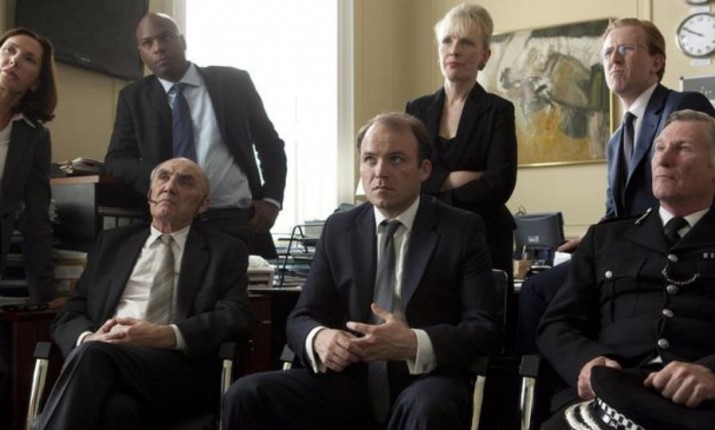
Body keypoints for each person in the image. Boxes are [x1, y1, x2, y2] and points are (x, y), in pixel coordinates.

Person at [221, 112, 502, 430]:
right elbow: (302, 317)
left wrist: (414, 343)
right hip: (348, 383)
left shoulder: (460, 229)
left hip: (423, 380)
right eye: (370, 159)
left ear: (424, 169)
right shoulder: (338, 229)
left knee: (429, 406)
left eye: (396, 159)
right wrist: (319, 337)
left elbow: (485, 328)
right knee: (246, 394)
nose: (380, 172)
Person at [517, 18, 715, 354]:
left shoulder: (682, 106)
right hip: (621, 250)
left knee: (539, 292)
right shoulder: (616, 139)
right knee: (536, 288)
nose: (614, 59)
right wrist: (589, 241)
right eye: (608, 52)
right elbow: (614, 213)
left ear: (656, 62)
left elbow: (694, 187)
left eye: (626, 49)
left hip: (674, 252)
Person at [33, 158, 256, 430]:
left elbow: (236, 315)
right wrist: (88, 337)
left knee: (94, 355)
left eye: (185, 182)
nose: (169, 187)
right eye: (163, 177)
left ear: (203, 204)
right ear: (150, 193)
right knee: (117, 411)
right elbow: (70, 312)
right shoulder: (112, 243)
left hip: (178, 371)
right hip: (105, 362)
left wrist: (166, 334)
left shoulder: (225, 250)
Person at [537, 109, 715, 430]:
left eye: (683, 148)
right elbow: (557, 324)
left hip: (699, 405)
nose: (664, 160)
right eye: (659, 148)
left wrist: (712, 372)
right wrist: (585, 362)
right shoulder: (606, 238)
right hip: (607, 398)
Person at [104, 13, 287, 259]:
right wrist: (161, 176)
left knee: (245, 285)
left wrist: (272, 199)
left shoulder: (234, 83)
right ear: (141, 53)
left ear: (183, 41)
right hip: (172, 223)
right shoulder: (133, 98)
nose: (158, 48)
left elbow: (270, 145)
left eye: (166, 37)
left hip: (237, 220)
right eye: (148, 43)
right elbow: (116, 160)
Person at [405, 2, 517, 282]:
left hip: (486, 238)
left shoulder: (498, 111)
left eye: (466, 42)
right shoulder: (416, 109)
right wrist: (452, 180)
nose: (454, 50)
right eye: (447, 41)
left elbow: (499, 184)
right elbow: (407, 176)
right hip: (426, 237)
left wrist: (435, 187)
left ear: (484, 56)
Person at [0, 28, 57, 305]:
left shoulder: (35, 136)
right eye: (9, 50)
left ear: (35, 83)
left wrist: (45, 293)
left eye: (29, 59)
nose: (14, 60)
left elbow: (37, 218)